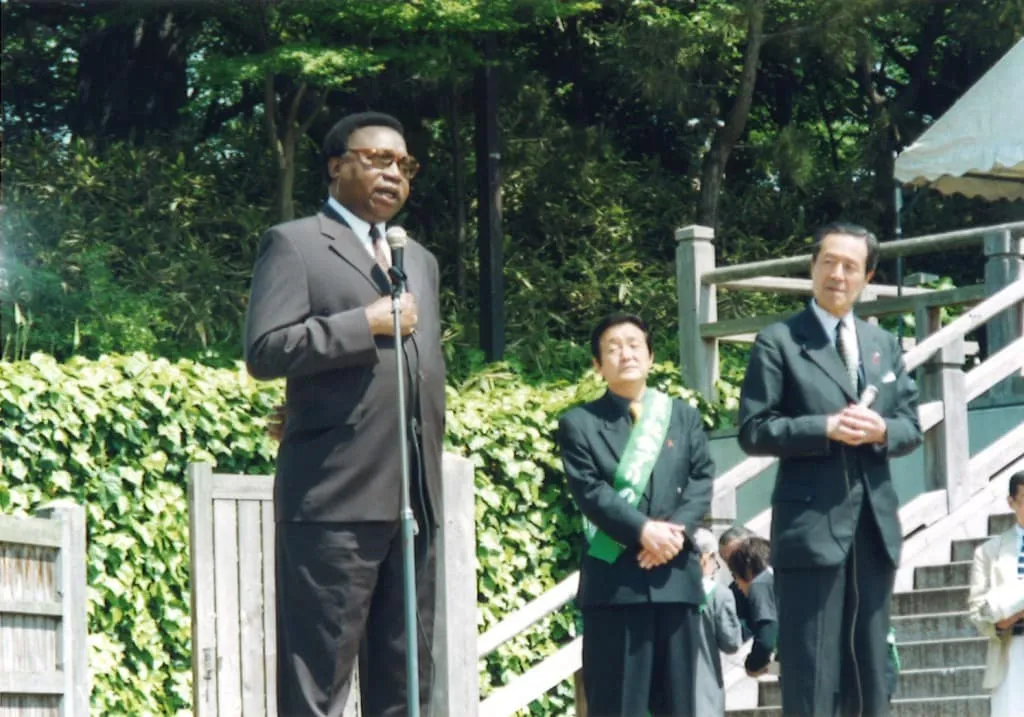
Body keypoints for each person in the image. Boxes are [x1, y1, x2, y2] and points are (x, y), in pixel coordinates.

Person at [243, 111, 446, 717]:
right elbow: (265, 349)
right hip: (333, 502)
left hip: (414, 503)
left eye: (403, 165)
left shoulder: (421, 261)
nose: (393, 173)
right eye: (377, 159)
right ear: (337, 167)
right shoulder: (297, 243)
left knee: (407, 680)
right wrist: (364, 324)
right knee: (320, 682)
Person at [737, 221, 923, 717]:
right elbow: (754, 429)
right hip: (811, 529)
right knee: (812, 674)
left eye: (851, 266)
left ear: (868, 276)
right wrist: (825, 427)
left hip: (874, 530)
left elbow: (911, 427)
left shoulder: (883, 343)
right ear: (813, 267)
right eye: (829, 263)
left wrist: (881, 430)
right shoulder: (778, 341)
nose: (838, 275)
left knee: (872, 673)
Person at [557, 312, 715, 717]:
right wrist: (643, 530)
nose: (625, 353)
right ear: (598, 365)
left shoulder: (683, 416)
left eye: (633, 345)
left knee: (679, 706)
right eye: (612, 348)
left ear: (650, 357)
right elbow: (590, 492)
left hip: (675, 580)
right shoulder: (579, 424)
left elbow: (701, 480)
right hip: (615, 586)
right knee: (617, 706)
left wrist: (671, 537)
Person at [968, 470, 1024, 717]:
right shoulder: (989, 552)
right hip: (1010, 652)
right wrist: (1011, 615)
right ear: (1011, 502)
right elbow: (977, 613)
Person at [693, 528, 742, 716]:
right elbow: (731, 643)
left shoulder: (664, 594)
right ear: (707, 557)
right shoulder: (719, 595)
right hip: (704, 694)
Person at [725, 536, 776, 677]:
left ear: (748, 570)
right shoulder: (779, 579)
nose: (738, 586)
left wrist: (753, 665)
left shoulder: (760, 585)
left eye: (735, 576)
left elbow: (766, 638)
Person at [718, 525, 755, 641]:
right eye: (726, 560)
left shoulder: (776, 581)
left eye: (736, 557)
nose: (731, 565)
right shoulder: (733, 591)